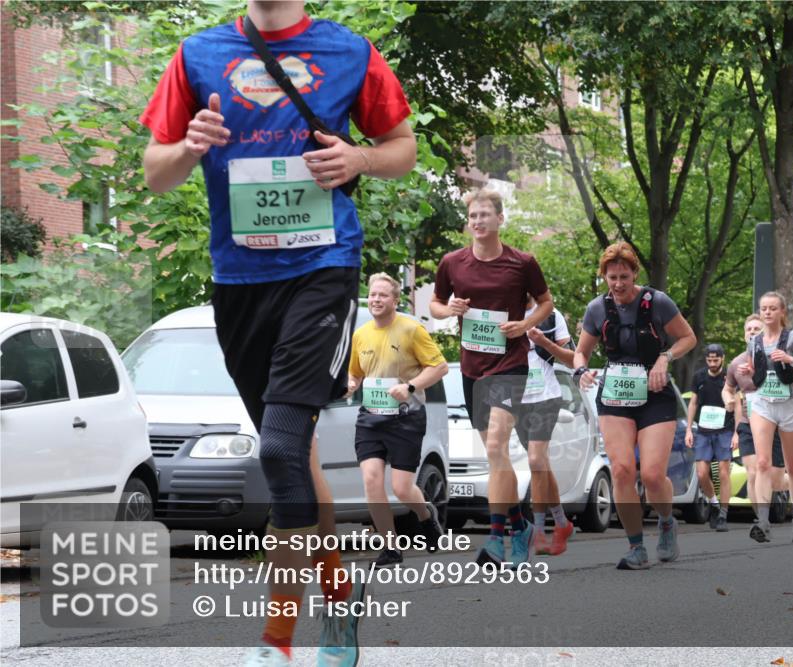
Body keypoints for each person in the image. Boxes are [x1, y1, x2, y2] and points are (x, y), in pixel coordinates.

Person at [141, 2, 417, 664]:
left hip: (322, 268)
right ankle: (339, 599)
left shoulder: (349, 51)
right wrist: (188, 147)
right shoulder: (198, 54)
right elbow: (155, 171)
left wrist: (358, 157)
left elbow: (402, 147)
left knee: (279, 447)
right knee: (295, 455)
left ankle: (278, 640)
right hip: (239, 283)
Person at [430, 189, 554, 567]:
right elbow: (435, 305)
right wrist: (450, 309)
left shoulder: (522, 262)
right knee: (494, 454)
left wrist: (525, 325)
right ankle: (521, 526)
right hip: (472, 368)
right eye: (473, 216)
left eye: (485, 214)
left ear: (500, 219)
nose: (478, 221)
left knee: (497, 445)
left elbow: (546, 302)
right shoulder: (452, 262)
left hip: (510, 364)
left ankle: (498, 539)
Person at [574, 242, 697, 569]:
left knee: (653, 475)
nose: (618, 284)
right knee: (622, 470)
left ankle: (666, 521)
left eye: (624, 277)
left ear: (634, 274)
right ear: (604, 276)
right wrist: (581, 371)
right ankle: (636, 546)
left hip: (655, 394)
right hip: (615, 394)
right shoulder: (597, 309)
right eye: (612, 277)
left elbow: (688, 338)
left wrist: (665, 357)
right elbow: (581, 352)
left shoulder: (657, 302)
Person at [346, 273, 448, 566]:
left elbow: (440, 367)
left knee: (402, 488)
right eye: (373, 295)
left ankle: (426, 515)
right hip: (371, 417)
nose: (376, 300)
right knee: (371, 480)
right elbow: (355, 372)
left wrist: (410, 387)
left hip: (406, 418)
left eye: (383, 295)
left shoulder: (411, 329)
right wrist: (351, 384)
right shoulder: (361, 334)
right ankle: (390, 547)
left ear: (395, 300)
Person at [737, 292, 793, 544]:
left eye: (773, 308)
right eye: (764, 308)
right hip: (763, 403)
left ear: (782, 311)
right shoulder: (755, 342)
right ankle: (763, 522)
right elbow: (756, 370)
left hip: (790, 406)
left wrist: (791, 359)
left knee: (791, 466)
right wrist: (748, 370)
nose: (767, 312)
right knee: (763, 463)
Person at [521, 295, 577, 556]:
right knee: (541, 463)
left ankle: (539, 531)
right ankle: (562, 523)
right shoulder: (503, 314)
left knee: (535, 461)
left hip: (546, 397)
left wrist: (543, 341)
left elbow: (573, 359)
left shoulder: (551, 316)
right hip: (516, 399)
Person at [723, 314, 788, 522]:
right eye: (748, 329)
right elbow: (727, 389)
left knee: (775, 481)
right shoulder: (736, 363)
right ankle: (762, 519)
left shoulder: (776, 357)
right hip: (748, 424)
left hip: (774, 424)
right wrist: (728, 399)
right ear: (744, 335)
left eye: (756, 329)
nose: (752, 332)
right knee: (753, 473)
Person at [685, 344, 735, 531]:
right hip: (703, 431)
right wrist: (689, 429)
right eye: (709, 360)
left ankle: (723, 514)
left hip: (724, 430)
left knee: (723, 472)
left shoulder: (730, 376)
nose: (712, 363)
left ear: (723, 358)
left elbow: (738, 404)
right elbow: (693, 403)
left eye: (716, 360)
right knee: (701, 473)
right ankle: (714, 504)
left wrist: (737, 432)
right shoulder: (699, 376)